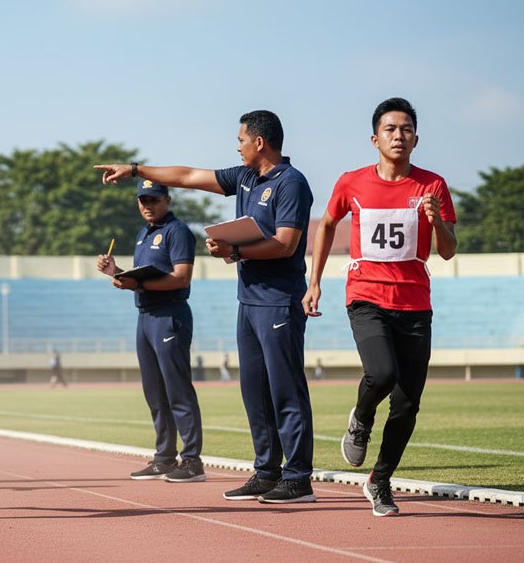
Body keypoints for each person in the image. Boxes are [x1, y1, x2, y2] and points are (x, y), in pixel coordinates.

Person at [95, 109, 316, 503]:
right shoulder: (245, 176)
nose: (238, 146)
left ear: (259, 142)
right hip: (248, 301)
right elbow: (187, 176)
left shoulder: (291, 183)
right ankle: (267, 472)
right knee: (254, 391)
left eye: (241, 140)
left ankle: (297, 478)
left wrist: (234, 250)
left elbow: (286, 243)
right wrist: (134, 169)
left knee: (286, 390)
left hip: (279, 302)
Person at [303, 98, 457, 516]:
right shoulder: (351, 182)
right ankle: (361, 417)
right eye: (390, 129)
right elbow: (327, 224)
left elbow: (447, 251)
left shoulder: (433, 185)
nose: (398, 136)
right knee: (383, 373)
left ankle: (380, 480)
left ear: (416, 139)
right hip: (366, 296)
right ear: (375, 139)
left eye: (406, 129)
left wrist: (437, 221)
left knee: (407, 403)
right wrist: (314, 282)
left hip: (415, 303)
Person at [97, 179, 204, 483]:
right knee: (154, 392)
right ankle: (164, 458)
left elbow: (181, 278)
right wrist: (116, 272)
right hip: (145, 316)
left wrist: (138, 284)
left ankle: (192, 461)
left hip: (169, 314)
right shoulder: (143, 233)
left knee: (177, 389)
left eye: (154, 200)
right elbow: (139, 278)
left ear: (167, 200)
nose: (148, 205)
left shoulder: (177, 232)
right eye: (143, 200)